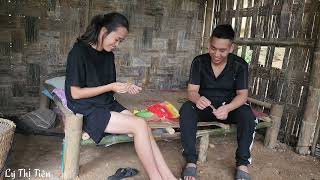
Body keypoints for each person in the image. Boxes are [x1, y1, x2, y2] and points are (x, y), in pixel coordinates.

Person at [65, 12, 177, 180]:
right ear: (103, 31)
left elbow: (106, 87)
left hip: (106, 103)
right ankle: (156, 178)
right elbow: (75, 93)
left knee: (144, 126)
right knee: (138, 125)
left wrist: (123, 87)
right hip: (86, 107)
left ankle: (168, 176)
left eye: (120, 41)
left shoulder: (108, 55)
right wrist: (111, 86)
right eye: (116, 39)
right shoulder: (78, 52)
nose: (117, 44)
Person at [179, 24, 256, 180]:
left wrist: (228, 108)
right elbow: (192, 91)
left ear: (231, 48)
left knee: (248, 114)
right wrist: (197, 99)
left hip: (229, 108)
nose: (216, 54)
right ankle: (191, 161)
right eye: (213, 48)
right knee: (187, 109)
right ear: (209, 43)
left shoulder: (240, 65)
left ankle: (242, 163)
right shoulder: (199, 62)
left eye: (222, 50)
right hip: (205, 107)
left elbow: (242, 95)